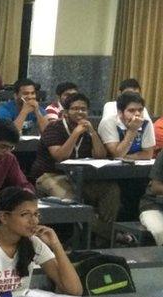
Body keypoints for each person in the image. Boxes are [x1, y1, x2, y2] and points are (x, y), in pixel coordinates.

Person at [30, 92, 119, 242]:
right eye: (75, 109)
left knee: (111, 190)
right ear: (65, 113)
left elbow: (100, 155)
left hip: (80, 177)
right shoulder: (54, 128)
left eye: (83, 109)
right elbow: (59, 156)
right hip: (49, 175)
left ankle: (101, 237)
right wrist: (75, 134)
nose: (80, 112)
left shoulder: (88, 130)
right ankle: (111, 236)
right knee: (72, 203)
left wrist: (92, 133)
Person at [98, 91, 155, 159]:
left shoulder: (146, 122)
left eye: (140, 110)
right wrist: (132, 131)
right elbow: (117, 154)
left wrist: (126, 157)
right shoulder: (108, 122)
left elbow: (148, 154)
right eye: (131, 110)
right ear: (120, 113)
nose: (137, 114)